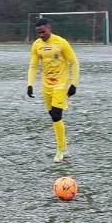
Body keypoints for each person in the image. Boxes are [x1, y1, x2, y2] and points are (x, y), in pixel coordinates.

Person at [27, 18, 80, 162]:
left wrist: (73, 84)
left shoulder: (61, 43)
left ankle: (59, 150)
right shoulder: (36, 45)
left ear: (49, 28)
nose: (41, 35)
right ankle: (65, 148)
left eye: (43, 32)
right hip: (46, 86)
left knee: (56, 115)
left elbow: (74, 63)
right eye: (38, 33)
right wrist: (30, 84)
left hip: (61, 84)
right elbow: (33, 66)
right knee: (54, 117)